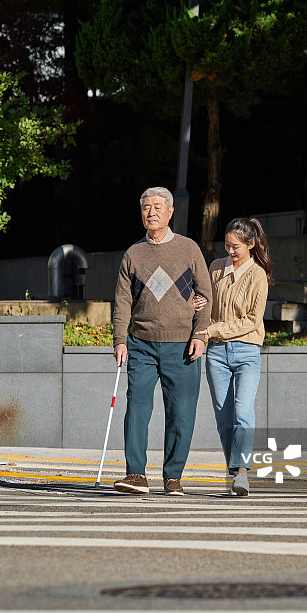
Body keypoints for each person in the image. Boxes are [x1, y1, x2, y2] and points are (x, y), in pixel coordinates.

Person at [112, 187, 212, 496]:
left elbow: (206, 294)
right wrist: (119, 339)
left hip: (181, 345)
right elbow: (122, 302)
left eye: (157, 207)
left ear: (170, 212)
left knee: (181, 412)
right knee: (137, 408)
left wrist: (200, 333)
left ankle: (173, 477)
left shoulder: (188, 249)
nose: (151, 212)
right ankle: (136, 475)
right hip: (141, 343)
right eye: (145, 208)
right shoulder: (133, 254)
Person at [194, 217, 272, 496]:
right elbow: (205, 302)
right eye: (227, 245)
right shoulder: (215, 268)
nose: (230, 251)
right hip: (216, 352)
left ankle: (241, 473)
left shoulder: (258, 275)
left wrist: (212, 329)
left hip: (247, 350)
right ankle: (236, 464)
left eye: (236, 246)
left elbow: (252, 320)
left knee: (243, 411)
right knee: (223, 416)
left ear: (251, 244)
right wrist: (198, 302)